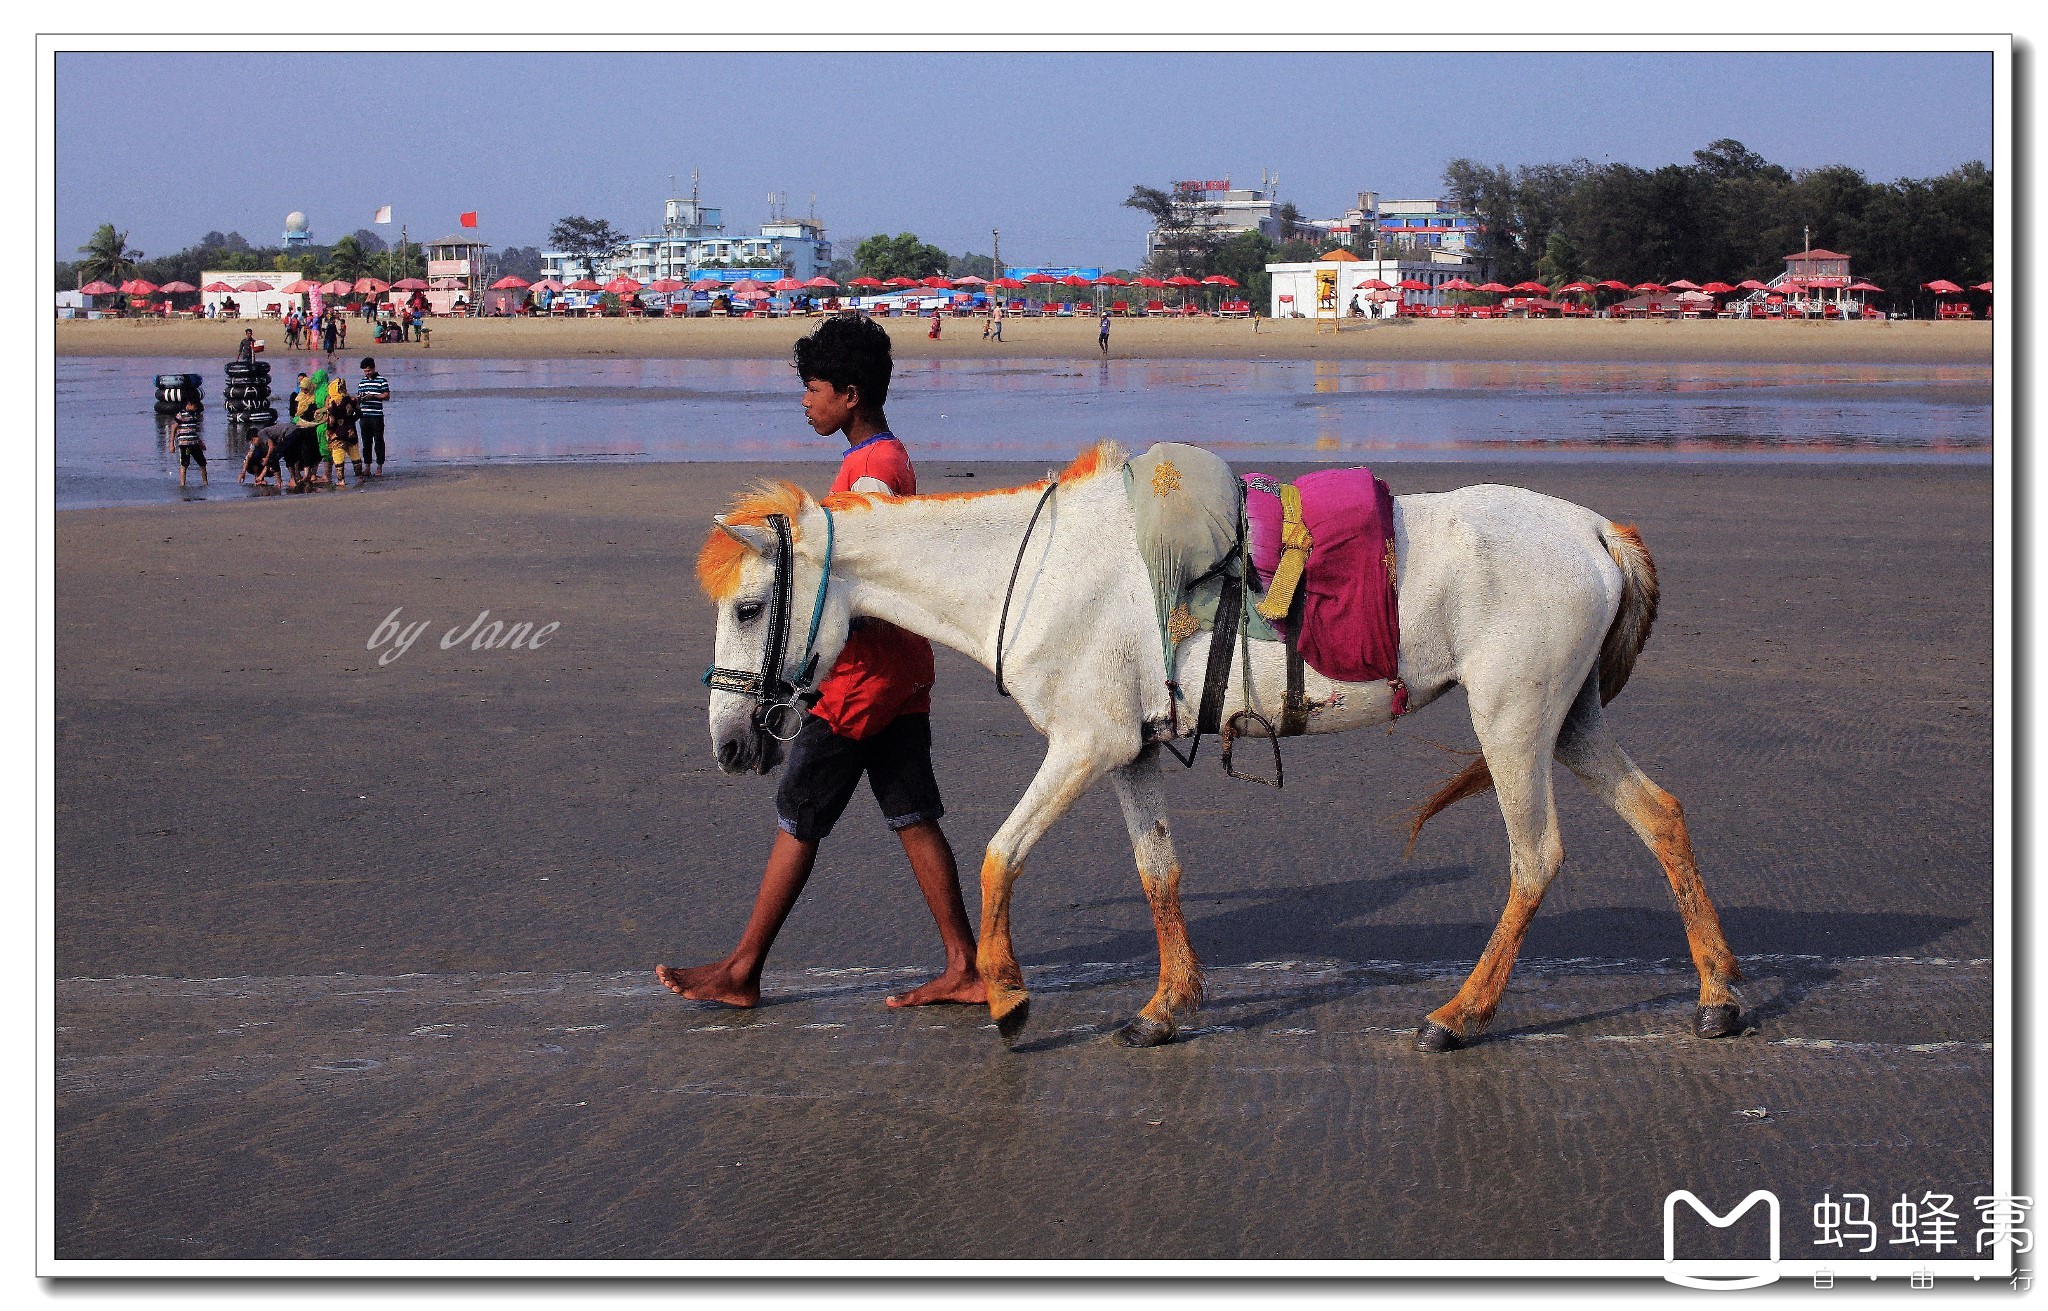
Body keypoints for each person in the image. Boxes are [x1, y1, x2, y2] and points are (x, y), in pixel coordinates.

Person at [657, 314, 982, 1012]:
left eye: (814, 390)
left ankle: (743, 968)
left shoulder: (874, 471)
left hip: (861, 678)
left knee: (798, 812)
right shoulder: (875, 459)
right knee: (913, 813)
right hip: (899, 669)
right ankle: (964, 964)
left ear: (851, 394)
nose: (806, 403)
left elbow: (851, 578)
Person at [356, 357, 391, 476]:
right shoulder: (362, 382)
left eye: (368, 371)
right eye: (365, 371)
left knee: (379, 441)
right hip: (364, 416)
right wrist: (361, 398)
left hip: (376, 416)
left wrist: (374, 396)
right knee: (366, 443)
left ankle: (379, 467)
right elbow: (359, 396)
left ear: (373, 368)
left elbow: (386, 395)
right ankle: (367, 467)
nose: (367, 373)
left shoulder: (382, 380)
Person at [325, 375, 361, 485]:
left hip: (338, 433)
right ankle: (359, 477)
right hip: (351, 431)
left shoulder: (333, 402)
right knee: (355, 455)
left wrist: (329, 431)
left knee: (338, 456)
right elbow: (360, 413)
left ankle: (341, 480)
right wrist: (351, 420)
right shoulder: (352, 399)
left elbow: (331, 419)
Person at [172, 400, 206, 488]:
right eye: (194, 406)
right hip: (184, 444)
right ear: (189, 405)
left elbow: (193, 431)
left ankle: (205, 483)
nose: (196, 409)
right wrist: (172, 444)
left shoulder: (194, 416)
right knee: (184, 464)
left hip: (194, 443)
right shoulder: (181, 415)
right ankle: (182, 485)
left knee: (202, 463)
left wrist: (200, 442)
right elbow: (173, 427)